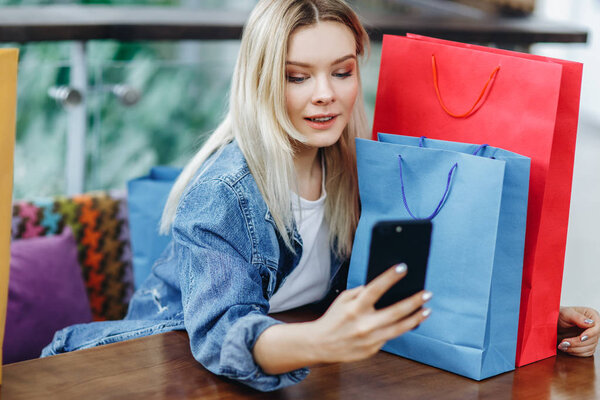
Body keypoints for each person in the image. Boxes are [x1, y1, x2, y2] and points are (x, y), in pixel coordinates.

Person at [42, 0, 599, 392]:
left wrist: (526, 322)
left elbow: (405, 292)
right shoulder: (224, 195)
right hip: (160, 364)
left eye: (341, 71)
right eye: (297, 76)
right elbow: (219, 334)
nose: (325, 95)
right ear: (262, 80)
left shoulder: (357, 170)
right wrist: (320, 342)